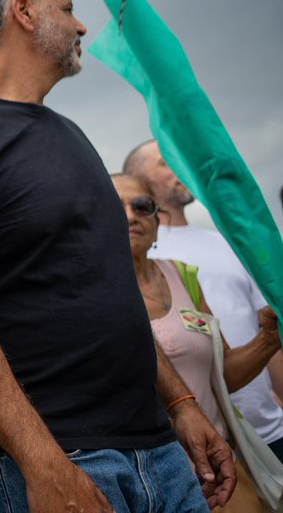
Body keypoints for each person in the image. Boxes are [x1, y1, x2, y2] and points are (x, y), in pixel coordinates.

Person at [0, 0, 236, 512]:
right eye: (68, 8)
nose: (83, 25)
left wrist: (181, 403)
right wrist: (44, 465)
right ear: (25, 11)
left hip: (157, 450)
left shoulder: (71, 134)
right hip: (45, 463)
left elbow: (110, 294)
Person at [114, 172, 282, 512]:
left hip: (219, 474)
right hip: (148, 483)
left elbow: (223, 377)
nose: (131, 215)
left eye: (142, 206)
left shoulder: (182, 274)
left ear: (158, 220)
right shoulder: (86, 289)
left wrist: (268, 338)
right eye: (115, 207)